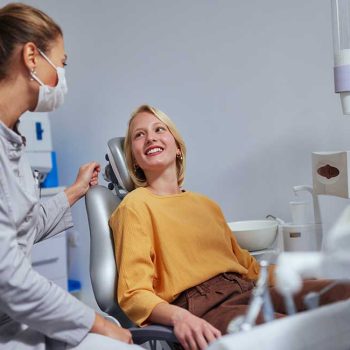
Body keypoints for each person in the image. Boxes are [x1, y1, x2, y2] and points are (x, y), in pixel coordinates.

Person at [110, 104, 350, 350]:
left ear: (178, 147)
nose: (150, 137)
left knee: (342, 293)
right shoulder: (135, 206)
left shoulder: (206, 205)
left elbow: (250, 268)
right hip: (203, 309)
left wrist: (312, 272)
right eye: (139, 135)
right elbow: (133, 294)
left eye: (159, 129)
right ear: (135, 160)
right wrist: (179, 317)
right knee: (296, 335)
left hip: (247, 290)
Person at [0, 3, 140, 350]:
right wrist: (95, 323)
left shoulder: (12, 140)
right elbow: (9, 278)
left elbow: (21, 224)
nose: (61, 78)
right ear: (32, 56)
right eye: (61, 64)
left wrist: (75, 191)